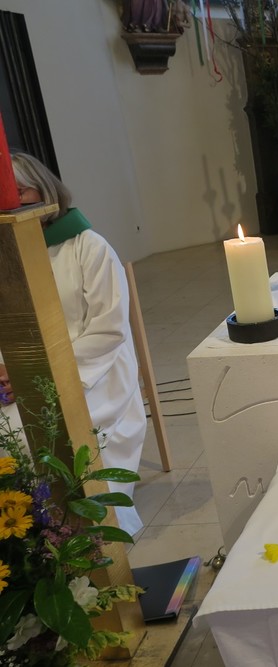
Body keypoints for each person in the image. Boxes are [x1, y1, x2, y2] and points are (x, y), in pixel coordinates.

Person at [4, 153, 146, 535]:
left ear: (45, 190)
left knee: (33, 435)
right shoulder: (5, 255)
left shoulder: (88, 245)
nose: (14, 204)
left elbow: (110, 329)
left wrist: (38, 369)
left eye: (22, 191)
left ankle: (78, 533)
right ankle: (22, 538)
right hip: (19, 372)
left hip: (92, 369)